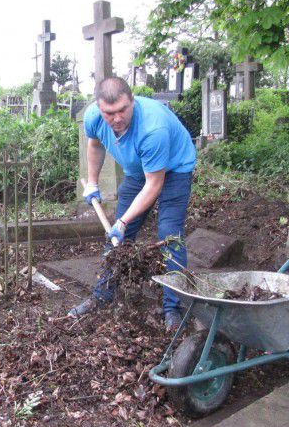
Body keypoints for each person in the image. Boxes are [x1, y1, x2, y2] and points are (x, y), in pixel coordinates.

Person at [69, 77, 197, 328]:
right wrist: (93, 182)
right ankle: (102, 297)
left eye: (122, 110)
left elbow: (154, 185)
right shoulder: (94, 117)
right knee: (116, 239)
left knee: (169, 235)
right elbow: (95, 145)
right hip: (139, 172)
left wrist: (124, 220)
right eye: (109, 113)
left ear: (132, 101)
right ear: (99, 108)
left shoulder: (153, 128)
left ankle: (173, 307)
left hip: (174, 170)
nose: (116, 118)